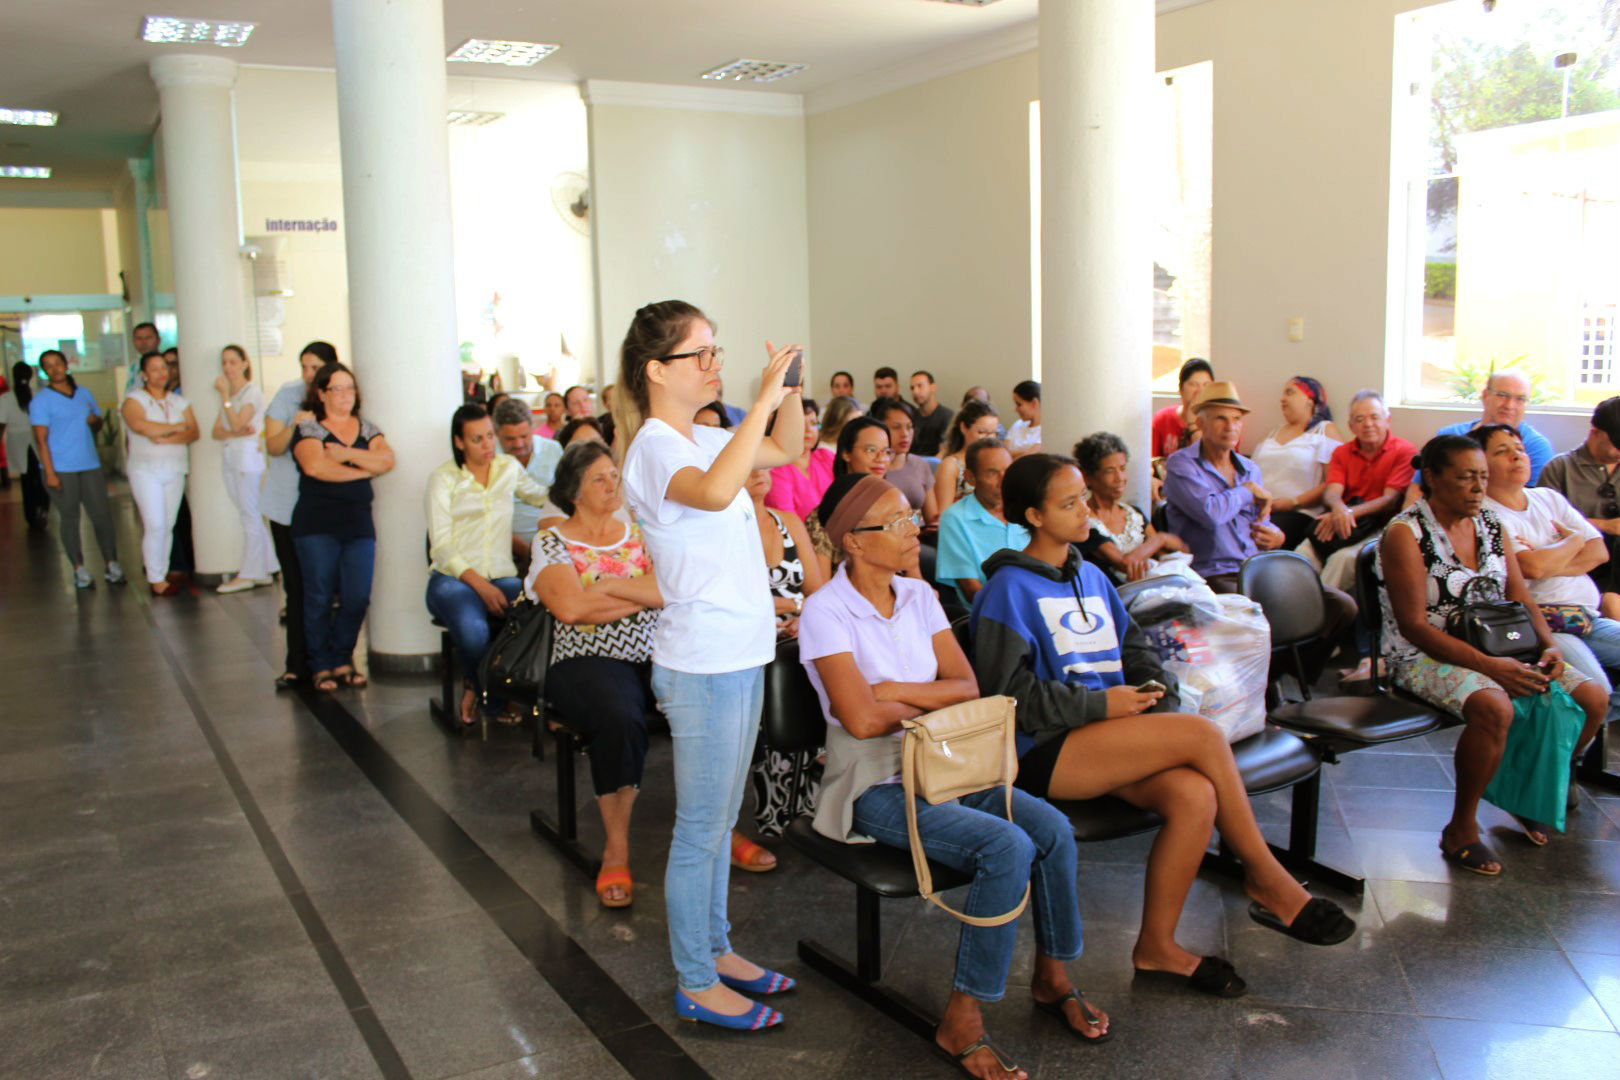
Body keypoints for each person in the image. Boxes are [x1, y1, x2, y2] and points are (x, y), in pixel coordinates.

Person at [973, 454, 1356, 1000]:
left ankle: (1157, 946)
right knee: (1202, 735)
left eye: (1083, 500)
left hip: (1109, 737)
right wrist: (1101, 706)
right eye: (1069, 504)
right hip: (1044, 751)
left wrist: (1154, 693)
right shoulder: (1007, 590)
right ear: (1034, 516)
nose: (1085, 512)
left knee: (1195, 796)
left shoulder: (1091, 575)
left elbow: (1137, 652)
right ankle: (1267, 877)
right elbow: (1005, 697)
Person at [801, 475, 1106, 1078]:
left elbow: (967, 687)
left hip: (948, 764)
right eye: (896, 522)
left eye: (911, 515)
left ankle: (1053, 975)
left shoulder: (918, 596)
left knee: (1051, 829)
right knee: (1006, 845)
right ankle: (963, 1017)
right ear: (853, 542)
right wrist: (916, 698)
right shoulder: (825, 611)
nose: (914, 529)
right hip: (874, 784)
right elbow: (860, 722)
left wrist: (891, 690)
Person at [616, 300, 804, 1031]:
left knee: (723, 820)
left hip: (741, 652)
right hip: (702, 664)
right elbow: (719, 490)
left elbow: (785, 449)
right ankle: (695, 979)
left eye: (716, 350)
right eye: (699, 353)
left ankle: (718, 949)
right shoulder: (656, 448)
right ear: (657, 371)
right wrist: (759, 400)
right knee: (700, 829)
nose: (714, 363)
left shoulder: (708, 435)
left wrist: (786, 390)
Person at [1378, 436, 1606, 874]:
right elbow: (1414, 627)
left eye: (1482, 477)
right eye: (1466, 477)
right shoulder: (1406, 534)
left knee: (1592, 698)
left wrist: (1548, 645)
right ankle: (1461, 828)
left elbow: (1520, 596)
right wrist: (1491, 667)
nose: (1478, 487)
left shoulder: (1490, 524)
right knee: (1493, 704)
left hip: (1501, 643)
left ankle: (1525, 789)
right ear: (1433, 478)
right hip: (1423, 653)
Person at [526, 441, 663, 907]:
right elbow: (569, 609)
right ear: (573, 492)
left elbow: (671, 590)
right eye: (598, 479)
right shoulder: (552, 541)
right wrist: (638, 594)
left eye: (614, 476)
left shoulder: (640, 533)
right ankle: (616, 848)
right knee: (618, 717)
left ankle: (721, 831)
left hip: (658, 652)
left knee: (710, 697)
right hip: (584, 658)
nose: (611, 485)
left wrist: (608, 588)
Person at [1162, 380, 1356, 671]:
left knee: (1341, 606)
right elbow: (1210, 513)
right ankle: (1267, 675)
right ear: (1201, 423)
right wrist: (1246, 492)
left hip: (1257, 568)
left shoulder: (1249, 468)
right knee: (1262, 612)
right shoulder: (1182, 465)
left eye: (1236, 419)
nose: (1230, 427)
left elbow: (1261, 522)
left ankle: (1281, 671)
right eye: (1220, 418)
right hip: (1213, 574)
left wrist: (1276, 536)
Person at [1477, 424, 1620, 732]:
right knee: (1598, 690)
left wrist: (1547, 556)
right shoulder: (1486, 514)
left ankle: (1577, 737)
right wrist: (1572, 541)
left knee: (1601, 697)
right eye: (1502, 451)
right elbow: (1531, 568)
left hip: (1586, 617)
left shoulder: (1548, 498)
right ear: (1481, 464)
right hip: (1540, 624)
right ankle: (1570, 750)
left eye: (1519, 449)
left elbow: (1598, 552)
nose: (1516, 456)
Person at [427, 404, 549, 727]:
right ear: (459, 442)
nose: (487, 445)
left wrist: (581, 486)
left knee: (537, 613)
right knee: (474, 632)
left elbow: (540, 496)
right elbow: (441, 545)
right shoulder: (443, 479)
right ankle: (491, 698)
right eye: (476, 439)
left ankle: (495, 686)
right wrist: (480, 586)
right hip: (451, 579)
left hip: (501, 575)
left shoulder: (508, 468)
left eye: (490, 436)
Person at [291, 361, 394, 693]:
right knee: (319, 596)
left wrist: (344, 454)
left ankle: (343, 658)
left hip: (358, 525)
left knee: (357, 596)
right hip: (316, 525)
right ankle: (320, 665)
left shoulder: (367, 428)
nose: (346, 394)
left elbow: (387, 460)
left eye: (350, 388)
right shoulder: (309, 429)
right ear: (322, 394)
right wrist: (364, 469)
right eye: (338, 388)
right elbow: (316, 467)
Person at [743, 465, 826, 848]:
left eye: (763, 464)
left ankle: (821, 800)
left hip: (797, 632)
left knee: (829, 655)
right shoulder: (724, 527)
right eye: (748, 466)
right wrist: (794, 607)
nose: (759, 472)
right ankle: (777, 810)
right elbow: (736, 598)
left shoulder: (788, 521)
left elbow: (817, 593)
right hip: (747, 637)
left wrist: (804, 617)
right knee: (781, 668)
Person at [263, 342, 332, 691]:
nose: (307, 374)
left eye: (315, 367)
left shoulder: (339, 397)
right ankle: (296, 664)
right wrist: (295, 424)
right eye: (303, 366)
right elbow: (272, 446)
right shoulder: (288, 395)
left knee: (324, 587)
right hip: (285, 506)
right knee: (296, 586)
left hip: (323, 507)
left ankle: (328, 662)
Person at [31, 349, 124, 589]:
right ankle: (79, 569)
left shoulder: (84, 393)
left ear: (66, 365)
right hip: (60, 468)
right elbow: (41, 440)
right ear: (44, 371)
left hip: (89, 464)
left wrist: (95, 422)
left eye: (58, 363)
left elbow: (97, 423)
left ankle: (111, 563)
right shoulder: (41, 401)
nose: (54, 369)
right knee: (70, 517)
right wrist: (50, 473)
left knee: (101, 515)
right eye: (48, 365)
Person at [121, 351, 199, 595]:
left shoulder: (179, 401)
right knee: (155, 524)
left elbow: (193, 432)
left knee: (168, 524)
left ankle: (161, 574)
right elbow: (139, 425)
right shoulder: (134, 400)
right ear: (144, 374)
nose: (161, 373)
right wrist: (176, 427)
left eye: (164, 367)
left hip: (174, 469)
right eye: (154, 369)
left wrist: (163, 435)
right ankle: (155, 577)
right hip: (145, 471)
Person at [1309, 390, 1415, 567]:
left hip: (1380, 526)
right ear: (1350, 426)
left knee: (1342, 560)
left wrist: (1348, 513)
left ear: (1387, 420)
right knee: (1302, 553)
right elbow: (1332, 492)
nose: (1368, 424)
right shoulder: (1341, 453)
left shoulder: (1404, 451)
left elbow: (1390, 501)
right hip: (1344, 522)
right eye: (1360, 419)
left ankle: (1320, 589)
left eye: (1375, 417)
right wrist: (1338, 509)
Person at [1076, 432, 1189, 583]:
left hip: (1148, 588)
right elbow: (1124, 563)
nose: (1120, 478)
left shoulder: (1134, 513)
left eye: (1122, 469)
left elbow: (1170, 551)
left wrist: (1162, 546)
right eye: (1110, 471)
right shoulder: (1084, 521)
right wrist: (1161, 538)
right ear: (1088, 477)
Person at [212, 344, 280, 594]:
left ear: (244, 363)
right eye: (224, 362)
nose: (227, 367)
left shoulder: (251, 392)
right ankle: (267, 567)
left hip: (247, 459)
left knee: (250, 514)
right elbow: (217, 431)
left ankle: (249, 573)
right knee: (246, 512)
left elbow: (237, 422)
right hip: (232, 454)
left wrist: (225, 398)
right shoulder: (233, 394)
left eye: (233, 362)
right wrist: (235, 429)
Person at [1249, 376, 1345, 551]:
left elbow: (1334, 481)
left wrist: (1292, 502)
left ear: (1309, 401)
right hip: (1258, 510)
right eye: (1282, 394)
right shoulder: (1273, 432)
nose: (1282, 399)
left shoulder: (1324, 430)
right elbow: (1249, 472)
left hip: (1299, 513)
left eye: (1290, 392)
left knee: (1258, 537)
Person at [1538, 396, 1620, 599]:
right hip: (1580, 565)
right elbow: (1544, 526)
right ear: (1595, 433)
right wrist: (1604, 525)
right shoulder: (1560, 469)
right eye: (1617, 445)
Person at [935, 439, 1025, 606]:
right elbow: (971, 590)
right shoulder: (955, 518)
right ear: (970, 478)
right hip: (992, 613)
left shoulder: (1028, 511)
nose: (1003, 481)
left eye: (1008, 471)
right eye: (992, 473)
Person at [1435, 372, 1555, 484]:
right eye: (1502, 395)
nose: (1509, 405)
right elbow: (1428, 488)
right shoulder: (1449, 437)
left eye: (1520, 399)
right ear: (1485, 396)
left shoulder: (1536, 447)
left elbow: (1529, 496)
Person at [492, 397, 564, 568]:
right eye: (510, 439)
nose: (518, 444)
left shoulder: (553, 450)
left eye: (524, 436)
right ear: (496, 433)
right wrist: (523, 549)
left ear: (532, 428)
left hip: (554, 547)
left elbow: (565, 501)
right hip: (504, 550)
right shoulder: (490, 458)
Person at [869, 397, 938, 521]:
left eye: (909, 427)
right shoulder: (872, 466)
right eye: (896, 427)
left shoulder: (920, 464)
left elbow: (932, 519)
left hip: (917, 531)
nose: (905, 434)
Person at [764, 398, 835, 520]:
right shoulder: (776, 469)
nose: (809, 430)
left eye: (813, 423)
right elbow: (789, 520)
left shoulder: (826, 456)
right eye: (800, 423)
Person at [0, 361, 49, 529]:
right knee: (41, 476)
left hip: (17, 442)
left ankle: (30, 515)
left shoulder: (6, 399)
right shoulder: (39, 394)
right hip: (38, 438)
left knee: (26, 480)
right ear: (31, 376)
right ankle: (44, 508)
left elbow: (1, 424)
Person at [933, 400, 1001, 514]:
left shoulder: (997, 462)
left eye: (994, 433)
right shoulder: (951, 465)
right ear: (963, 427)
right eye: (982, 432)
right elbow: (943, 514)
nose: (989, 438)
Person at [1152, 358, 1214, 460]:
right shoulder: (1162, 419)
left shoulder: (1218, 424)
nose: (1200, 391)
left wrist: (1193, 425)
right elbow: (1150, 462)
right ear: (1181, 389)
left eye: (1206, 385)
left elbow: (1210, 464)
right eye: (1193, 384)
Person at [909, 369, 954, 458]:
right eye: (912, 388)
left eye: (920, 386)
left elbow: (944, 451)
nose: (915, 392)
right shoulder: (911, 416)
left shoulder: (947, 416)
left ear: (933, 388)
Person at [1006, 380, 1042, 458]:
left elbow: (1030, 457)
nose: (1016, 409)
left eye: (1019, 404)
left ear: (1034, 403)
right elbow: (1003, 453)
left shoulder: (1046, 432)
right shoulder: (1017, 424)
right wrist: (1026, 451)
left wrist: (1013, 454)